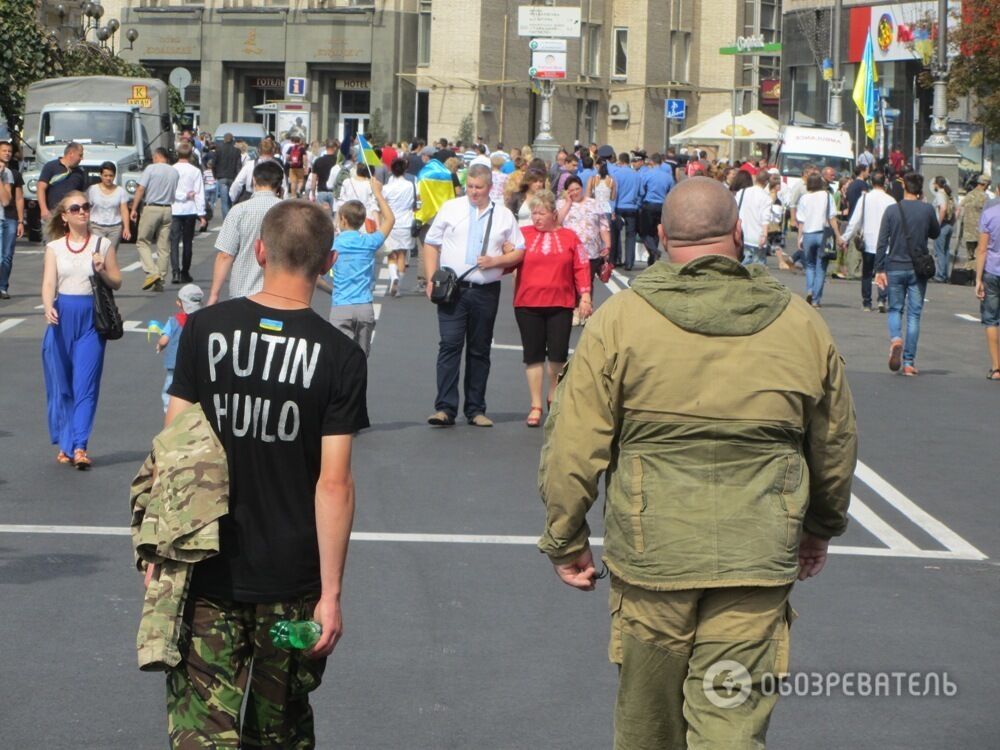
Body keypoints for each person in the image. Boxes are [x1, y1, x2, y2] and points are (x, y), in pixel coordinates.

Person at [538, 176, 857, 750]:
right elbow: (833, 442)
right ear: (738, 233)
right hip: (758, 550)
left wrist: (566, 536)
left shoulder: (620, 321)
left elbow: (572, 444)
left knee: (648, 727)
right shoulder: (801, 323)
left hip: (653, 550)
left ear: (661, 237)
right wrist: (820, 526)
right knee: (730, 728)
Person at [161, 199, 367, 747]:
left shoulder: (204, 330)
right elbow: (333, 484)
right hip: (291, 583)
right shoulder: (340, 356)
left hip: (206, 570)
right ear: (327, 264)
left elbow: (172, 451)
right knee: (278, 731)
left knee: (201, 733)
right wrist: (331, 595)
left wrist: (159, 557)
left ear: (259, 250)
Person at [423, 163, 525, 427]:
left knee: (479, 350)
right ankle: (444, 408)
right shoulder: (451, 208)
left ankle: (476, 409)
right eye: (469, 187)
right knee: (449, 346)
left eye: (478, 188)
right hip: (453, 290)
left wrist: (496, 261)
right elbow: (431, 242)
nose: (473, 192)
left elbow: (520, 251)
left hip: (485, 291)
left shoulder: (503, 215)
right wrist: (431, 277)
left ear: (490, 187)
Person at [41, 191, 122, 469]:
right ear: (64, 217)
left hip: (91, 320)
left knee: (85, 386)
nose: (82, 212)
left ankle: (79, 446)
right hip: (61, 318)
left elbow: (117, 281)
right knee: (62, 386)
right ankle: (65, 443)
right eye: (75, 208)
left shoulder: (102, 244)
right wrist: (47, 305)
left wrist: (101, 270)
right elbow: (49, 283)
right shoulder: (54, 248)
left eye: (86, 207)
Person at [516, 190, 591, 426]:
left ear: (554, 214)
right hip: (528, 302)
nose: (536, 218)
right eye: (534, 213)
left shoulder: (570, 237)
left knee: (558, 355)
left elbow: (581, 265)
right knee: (533, 355)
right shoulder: (522, 235)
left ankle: (554, 395)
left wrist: (585, 296)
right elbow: (508, 259)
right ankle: (536, 404)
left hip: (561, 302)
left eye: (542, 213)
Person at [875, 172, 940, 376]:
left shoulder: (892, 210)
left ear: (905, 189)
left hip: (894, 266)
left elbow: (882, 242)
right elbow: (935, 233)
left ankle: (896, 339)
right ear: (920, 191)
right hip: (917, 269)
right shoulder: (927, 209)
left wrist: (879, 269)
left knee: (895, 309)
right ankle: (909, 362)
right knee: (914, 315)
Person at [320, 180, 395, 356]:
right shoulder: (369, 242)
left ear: (343, 220)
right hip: (364, 307)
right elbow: (390, 219)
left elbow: (317, 277)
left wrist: (332, 290)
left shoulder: (334, 244)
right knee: (360, 359)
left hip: (341, 306)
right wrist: (377, 193)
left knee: (339, 358)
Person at [207, 160, 285, 305]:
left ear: (254, 180)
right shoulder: (287, 211)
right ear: (279, 183)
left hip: (243, 291)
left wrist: (214, 294)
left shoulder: (239, 210)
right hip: (277, 294)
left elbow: (225, 255)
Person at [840, 170, 895, 312]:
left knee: (867, 272)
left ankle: (867, 302)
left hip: (868, 241)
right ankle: (882, 299)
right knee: (883, 271)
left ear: (871, 182)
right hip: (885, 243)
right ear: (885, 183)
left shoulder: (865, 198)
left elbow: (855, 221)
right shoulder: (890, 200)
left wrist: (844, 238)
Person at [557, 175, 610, 319]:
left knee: (588, 282)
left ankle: (586, 311)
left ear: (582, 187)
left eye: (577, 189)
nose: (575, 192)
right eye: (571, 190)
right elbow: (557, 222)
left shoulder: (594, 203)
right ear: (567, 192)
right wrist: (568, 203)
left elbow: (603, 225)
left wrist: (607, 244)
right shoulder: (561, 204)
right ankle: (574, 310)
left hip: (591, 250)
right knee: (571, 281)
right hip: (570, 251)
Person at [131, 148, 180, 293]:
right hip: (168, 209)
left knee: (142, 241)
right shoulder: (174, 172)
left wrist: (134, 208)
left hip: (151, 208)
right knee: (163, 246)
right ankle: (161, 280)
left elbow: (140, 189)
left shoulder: (151, 169)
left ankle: (153, 273)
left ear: (157, 156)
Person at [154, 283, 203, 411]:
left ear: (179, 303)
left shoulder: (173, 321)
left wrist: (160, 345)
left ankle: (168, 409)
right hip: (195, 362)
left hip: (174, 363)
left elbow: (164, 340)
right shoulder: (201, 320)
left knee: (170, 386)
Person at [796, 172, 842, 307]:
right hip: (823, 234)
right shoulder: (827, 196)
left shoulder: (804, 198)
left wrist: (800, 238)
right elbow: (832, 218)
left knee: (809, 265)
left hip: (808, 234)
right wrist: (838, 235)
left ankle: (810, 290)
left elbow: (801, 221)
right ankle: (816, 299)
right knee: (821, 267)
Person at [170, 143, 207, 285]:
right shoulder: (195, 171)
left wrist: (181, 196)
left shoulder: (172, 169)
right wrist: (201, 213)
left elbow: (171, 191)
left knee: (174, 241)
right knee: (187, 242)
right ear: (191, 154)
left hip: (175, 209)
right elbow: (199, 193)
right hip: (190, 210)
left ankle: (175, 272)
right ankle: (185, 271)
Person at [381, 158, 416, 296]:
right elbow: (413, 202)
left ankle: (393, 277)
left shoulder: (387, 187)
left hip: (390, 223)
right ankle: (398, 286)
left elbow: (381, 203)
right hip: (406, 223)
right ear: (405, 170)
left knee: (391, 254)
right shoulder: (409, 185)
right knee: (402, 255)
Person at [975, 201, 1000, 380]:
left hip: (992, 271)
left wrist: (978, 279)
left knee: (991, 319)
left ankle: (996, 367)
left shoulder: (989, 214)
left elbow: (982, 249)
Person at [37, 142, 88, 224]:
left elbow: (80, 195)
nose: (82, 158)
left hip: (72, 215)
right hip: (52, 214)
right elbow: (40, 188)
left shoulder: (80, 172)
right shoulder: (51, 166)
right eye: (80, 155)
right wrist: (43, 209)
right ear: (71, 153)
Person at [86, 162, 131, 253]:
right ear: (101, 175)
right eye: (105, 175)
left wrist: (126, 228)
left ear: (114, 176)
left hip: (114, 228)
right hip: (96, 227)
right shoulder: (92, 190)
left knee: (110, 254)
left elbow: (124, 210)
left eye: (111, 176)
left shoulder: (120, 191)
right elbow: (87, 208)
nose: (108, 178)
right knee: (97, 252)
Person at [637, 153, 674, 265]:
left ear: (652, 162)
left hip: (649, 204)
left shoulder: (648, 174)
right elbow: (671, 191)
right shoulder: (668, 176)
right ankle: (652, 259)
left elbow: (642, 191)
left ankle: (653, 251)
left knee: (644, 232)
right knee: (655, 231)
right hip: (662, 205)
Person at [0, 140, 25, 300]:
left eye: (9, 151)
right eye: (4, 151)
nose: (7, 153)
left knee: (7, 255)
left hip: (9, 217)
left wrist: (21, 221)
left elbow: (17, 198)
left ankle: (2, 286)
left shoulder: (12, 174)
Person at [734, 170, 773, 266]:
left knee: (742, 265)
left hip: (743, 234)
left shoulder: (741, 192)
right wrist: (764, 235)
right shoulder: (766, 197)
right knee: (758, 268)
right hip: (757, 236)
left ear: (755, 178)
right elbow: (765, 218)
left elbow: (735, 210)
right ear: (766, 182)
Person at [611, 152, 641, 269]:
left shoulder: (616, 174)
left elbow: (614, 193)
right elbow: (640, 192)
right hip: (632, 207)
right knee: (630, 235)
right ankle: (629, 262)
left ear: (620, 161)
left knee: (616, 234)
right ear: (628, 161)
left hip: (619, 206)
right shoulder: (636, 174)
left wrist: (613, 208)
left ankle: (614, 260)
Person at [958, 175, 991, 271]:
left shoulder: (969, 195)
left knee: (970, 255)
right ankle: (976, 276)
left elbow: (960, 208)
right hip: (980, 231)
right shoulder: (985, 197)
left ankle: (968, 274)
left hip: (968, 231)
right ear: (985, 185)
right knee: (979, 255)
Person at [931, 176, 956, 282]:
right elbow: (956, 209)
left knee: (940, 251)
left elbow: (943, 209)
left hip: (942, 226)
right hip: (949, 225)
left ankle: (940, 275)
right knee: (945, 251)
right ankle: (945, 274)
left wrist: (938, 223)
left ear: (936, 184)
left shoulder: (940, 194)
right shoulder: (949, 195)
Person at [212, 133, 242, 218]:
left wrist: (215, 175)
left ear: (224, 139)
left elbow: (214, 164)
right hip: (232, 177)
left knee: (224, 201)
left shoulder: (219, 149)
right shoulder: (236, 151)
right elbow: (238, 165)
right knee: (231, 200)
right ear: (232, 140)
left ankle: (226, 220)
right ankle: (231, 218)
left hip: (221, 177)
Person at [310, 140, 339, 215]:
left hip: (321, 191)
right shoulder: (338, 162)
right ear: (335, 148)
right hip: (334, 192)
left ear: (325, 148)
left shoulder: (318, 161)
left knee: (321, 217)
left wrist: (313, 193)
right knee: (335, 217)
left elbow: (313, 180)